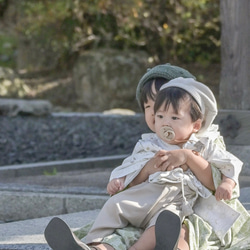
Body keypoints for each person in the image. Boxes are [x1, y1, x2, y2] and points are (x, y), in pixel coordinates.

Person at [44, 77, 244, 250]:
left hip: (175, 198)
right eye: (159, 115)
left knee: (164, 224)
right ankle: (91, 243)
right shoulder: (149, 143)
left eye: (175, 117)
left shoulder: (203, 143)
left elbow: (229, 163)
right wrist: (119, 179)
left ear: (196, 124)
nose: (166, 122)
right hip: (145, 194)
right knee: (115, 204)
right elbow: (130, 165)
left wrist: (227, 182)